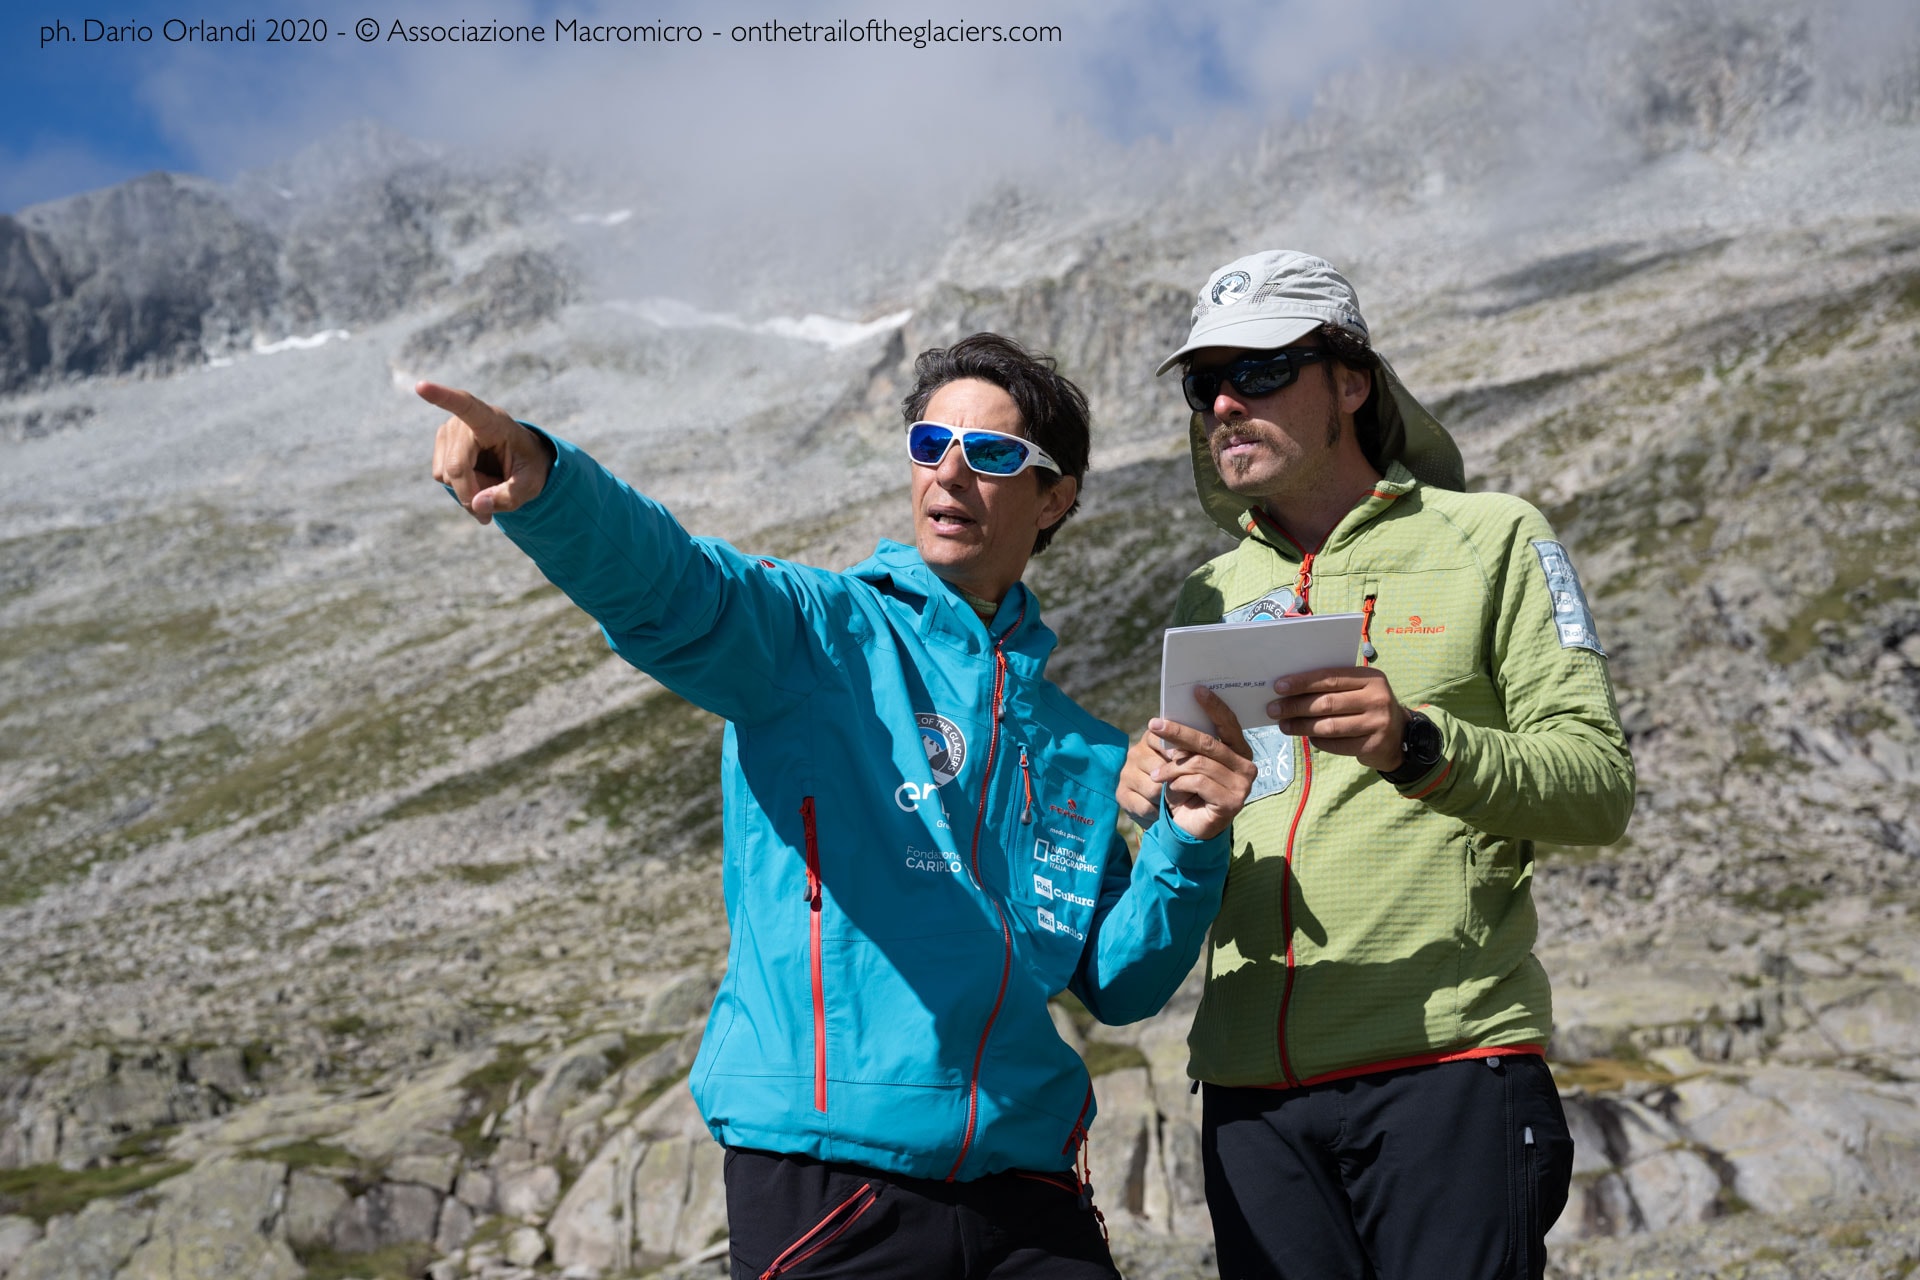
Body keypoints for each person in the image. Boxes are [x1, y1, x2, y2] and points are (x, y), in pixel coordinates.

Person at [423, 332, 1256, 1279]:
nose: (949, 473)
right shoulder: (815, 634)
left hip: (1031, 1193)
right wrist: (545, 480)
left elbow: (1120, 982)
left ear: (1055, 496)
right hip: (833, 1187)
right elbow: (677, 589)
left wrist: (1187, 843)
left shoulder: (1080, 746)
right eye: (927, 446)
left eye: (989, 455)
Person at [1117, 251, 1636, 1280]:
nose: (1223, 402)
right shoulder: (1208, 592)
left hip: (1448, 1066)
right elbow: (1216, 833)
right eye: (1203, 381)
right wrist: (1166, 811)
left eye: (1259, 371)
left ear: (1351, 382)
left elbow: (1597, 783)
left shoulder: (1494, 537)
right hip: (1249, 1097)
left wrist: (1419, 743)